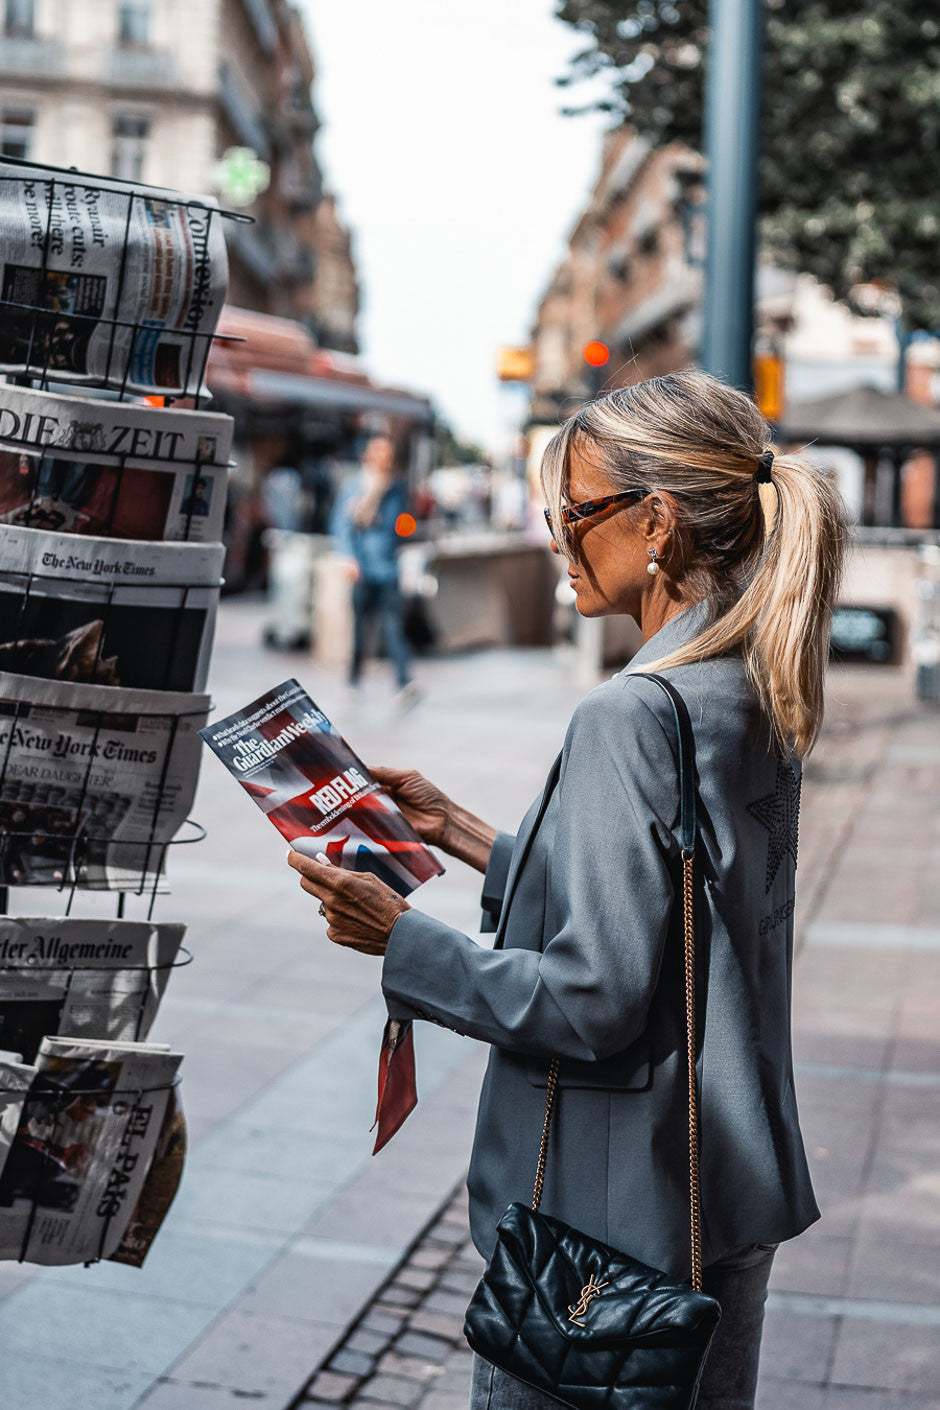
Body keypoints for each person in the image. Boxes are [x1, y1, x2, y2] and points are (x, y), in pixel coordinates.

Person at [289, 370, 847, 1410]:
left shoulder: (631, 714)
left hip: (604, 1225)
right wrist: (459, 830)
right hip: (721, 1185)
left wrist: (399, 939)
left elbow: (594, 998)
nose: (554, 535)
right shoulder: (755, 682)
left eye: (575, 510)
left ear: (657, 521)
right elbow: (683, 912)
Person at [330, 434, 417, 704]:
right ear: (369, 455)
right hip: (362, 567)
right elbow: (340, 524)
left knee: (393, 626)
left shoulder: (398, 486)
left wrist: (405, 529)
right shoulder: (355, 485)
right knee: (360, 627)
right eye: (379, 452)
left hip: (388, 567)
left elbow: (403, 523)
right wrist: (348, 557)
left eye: (388, 453)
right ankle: (354, 679)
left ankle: (403, 681)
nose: (384, 458)